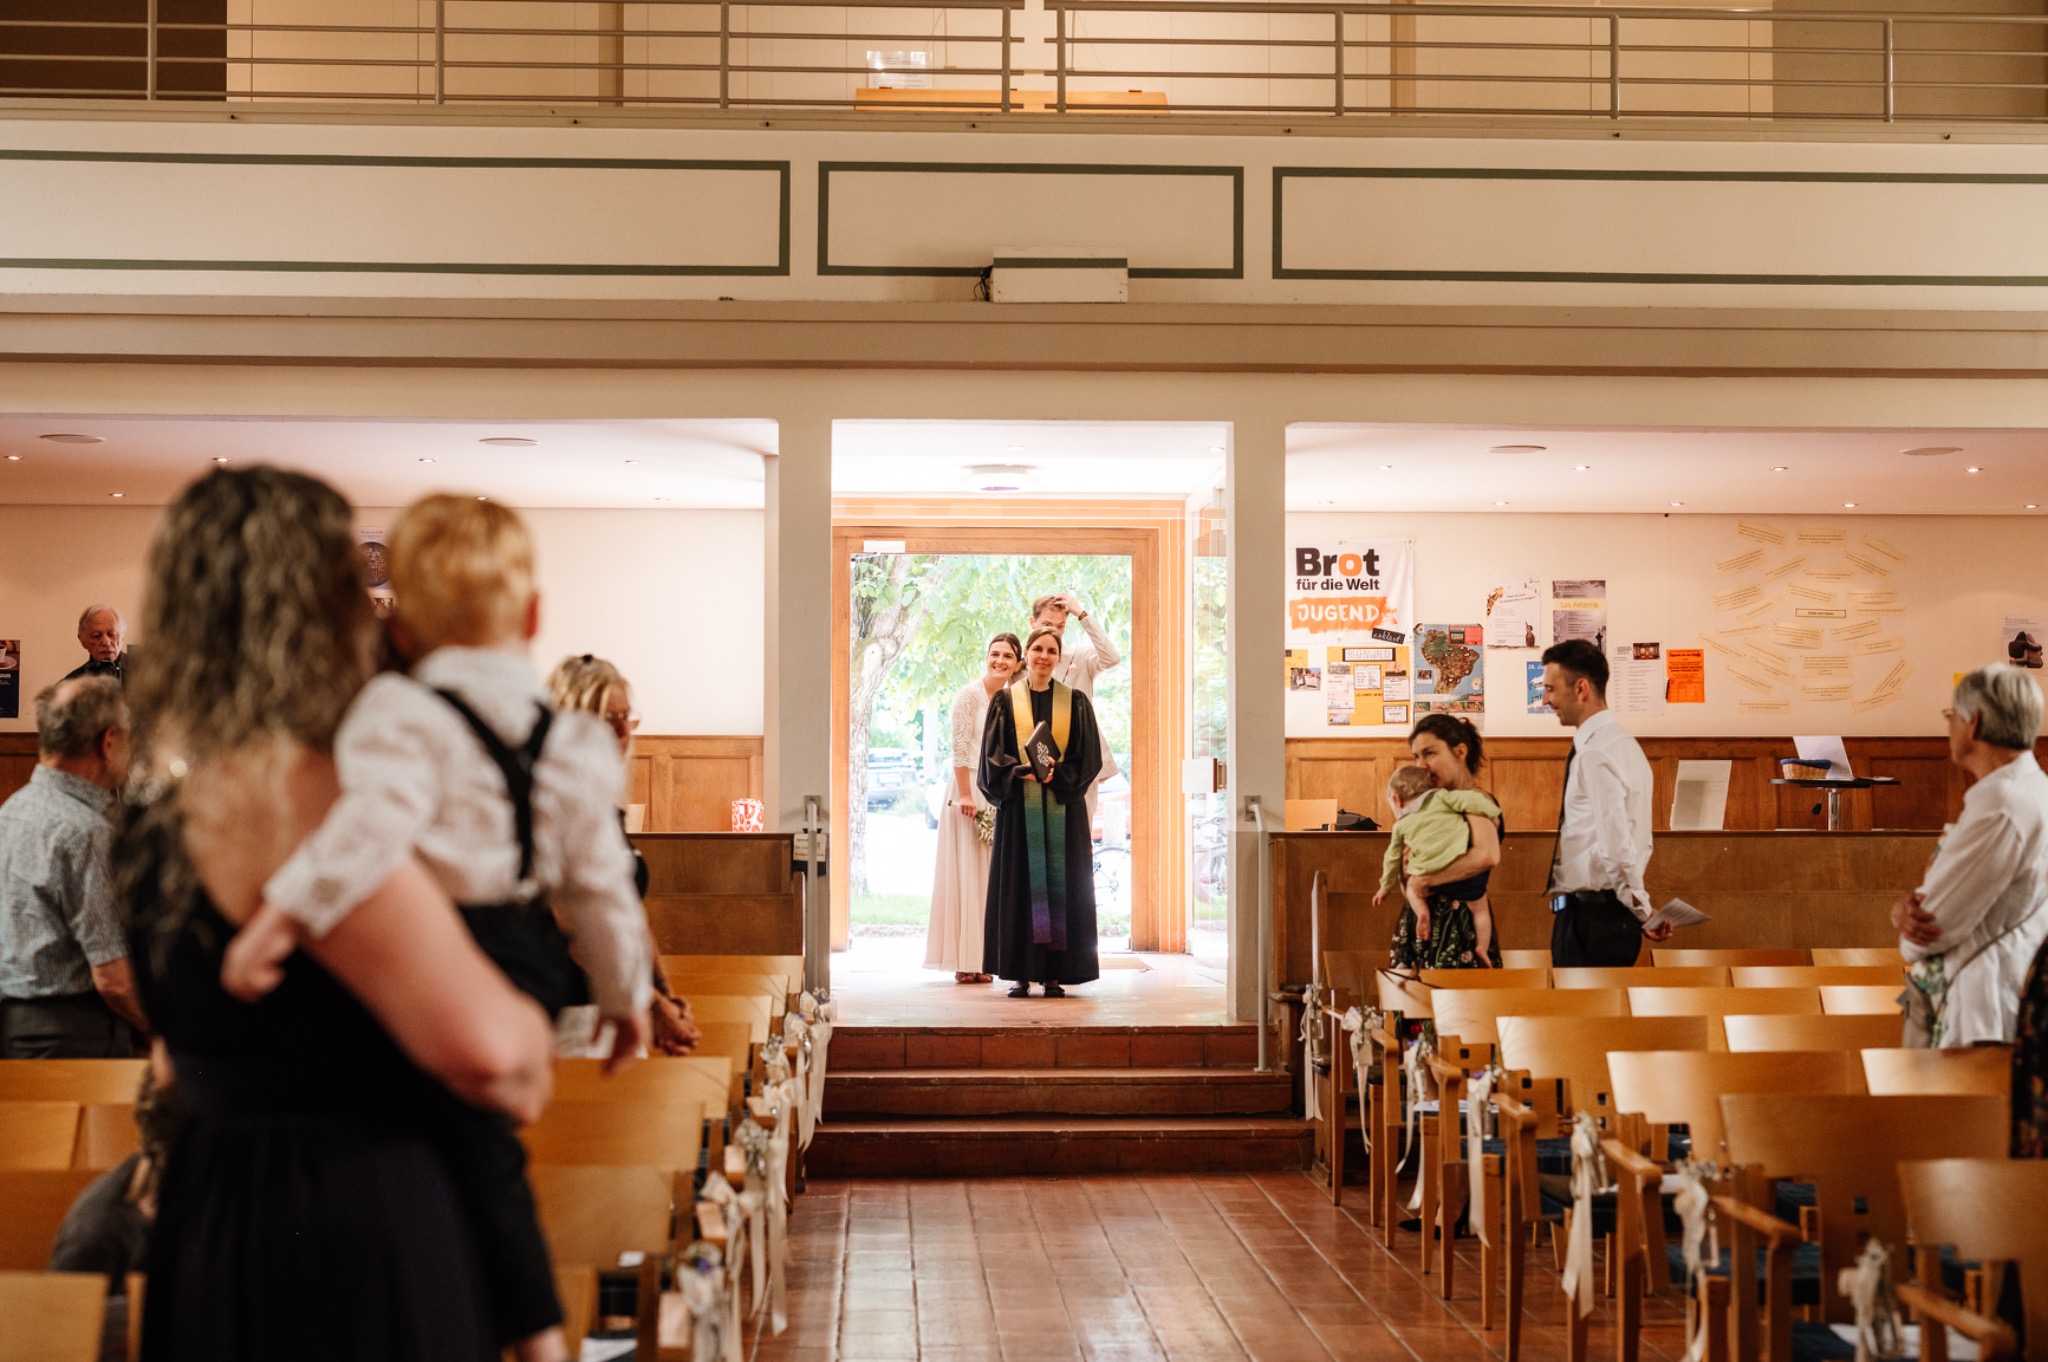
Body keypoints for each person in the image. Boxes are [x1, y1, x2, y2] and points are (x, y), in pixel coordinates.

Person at [118, 464, 555, 1362]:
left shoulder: (156, 812)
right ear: (319, 607)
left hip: (214, 1218)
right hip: (351, 1222)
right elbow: (492, 1060)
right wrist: (529, 1018)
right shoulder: (308, 801)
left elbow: (173, 1062)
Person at [546, 650, 698, 1055]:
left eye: (625, 718)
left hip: (621, 1006)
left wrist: (666, 990)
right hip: (576, 1017)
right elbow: (582, 929)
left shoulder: (603, 807)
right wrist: (649, 1003)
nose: (621, 732)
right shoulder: (553, 807)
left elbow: (628, 910)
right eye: (606, 719)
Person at [1892, 664, 2048, 1049]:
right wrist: (1903, 911)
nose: (1950, 727)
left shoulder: (2002, 804)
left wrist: (1906, 932)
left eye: (1951, 717)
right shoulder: (2032, 790)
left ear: (1974, 724)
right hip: (2006, 990)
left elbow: (1929, 931)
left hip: (1978, 1008)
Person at [0, 675, 147, 1057]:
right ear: (109, 741)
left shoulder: (12, 810)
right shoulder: (84, 832)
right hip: (72, 1035)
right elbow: (113, 980)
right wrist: (161, 1033)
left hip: (13, 1025)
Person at [980, 627, 1104, 997]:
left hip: (1063, 809)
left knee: (1062, 887)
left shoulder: (1076, 701)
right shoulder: (1005, 701)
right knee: (1022, 885)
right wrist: (1020, 771)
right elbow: (991, 758)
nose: (1044, 656)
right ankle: (1021, 972)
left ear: (1059, 657)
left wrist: (1056, 774)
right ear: (1027, 655)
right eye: (1037, 649)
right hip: (1021, 811)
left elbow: (1089, 757)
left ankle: (1054, 973)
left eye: (1051, 650)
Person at [1540, 638, 1667, 967]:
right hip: (1605, 916)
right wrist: (1639, 909)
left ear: (1581, 688)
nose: (1545, 700)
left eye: (1551, 689)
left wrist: (1641, 908)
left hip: (1594, 921)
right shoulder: (1623, 745)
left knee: (1581, 1018)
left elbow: (1616, 846)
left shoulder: (1596, 752)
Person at [925, 633, 1021, 983]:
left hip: (1001, 792)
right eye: (994, 654)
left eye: (1007, 656)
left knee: (991, 878)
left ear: (1017, 663)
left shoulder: (1014, 698)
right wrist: (966, 795)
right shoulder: (969, 696)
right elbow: (960, 748)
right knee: (967, 873)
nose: (999, 661)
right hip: (969, 791)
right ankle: (964, 960)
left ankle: (985, 958)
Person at [1386, 713, 1505, 970]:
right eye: (1416, 757)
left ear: (1460, 752)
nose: (1421, 765)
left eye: (1430, 754)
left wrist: (1427, 879)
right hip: (1422, 924)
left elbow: (1487, 855)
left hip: (1458, 924)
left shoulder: (1473, 799)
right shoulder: (1431, 803)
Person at [1029, 592, 1120, 817]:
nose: (1053, 632)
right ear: (1033, 623)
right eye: (1046, 624)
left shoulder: (1081, 657)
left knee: (1080, 833)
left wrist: (1082, 615)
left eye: (1060, 627)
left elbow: (1111, 658)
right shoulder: (1025, 663)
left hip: (1080, 763)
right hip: (1036, 762)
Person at [65, 605, 130, 683]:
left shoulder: (143, 672)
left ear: (122, 638)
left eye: (112, 634)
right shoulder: (72, 684)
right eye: (96, 636)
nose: (106, 642)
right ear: (83, 641)